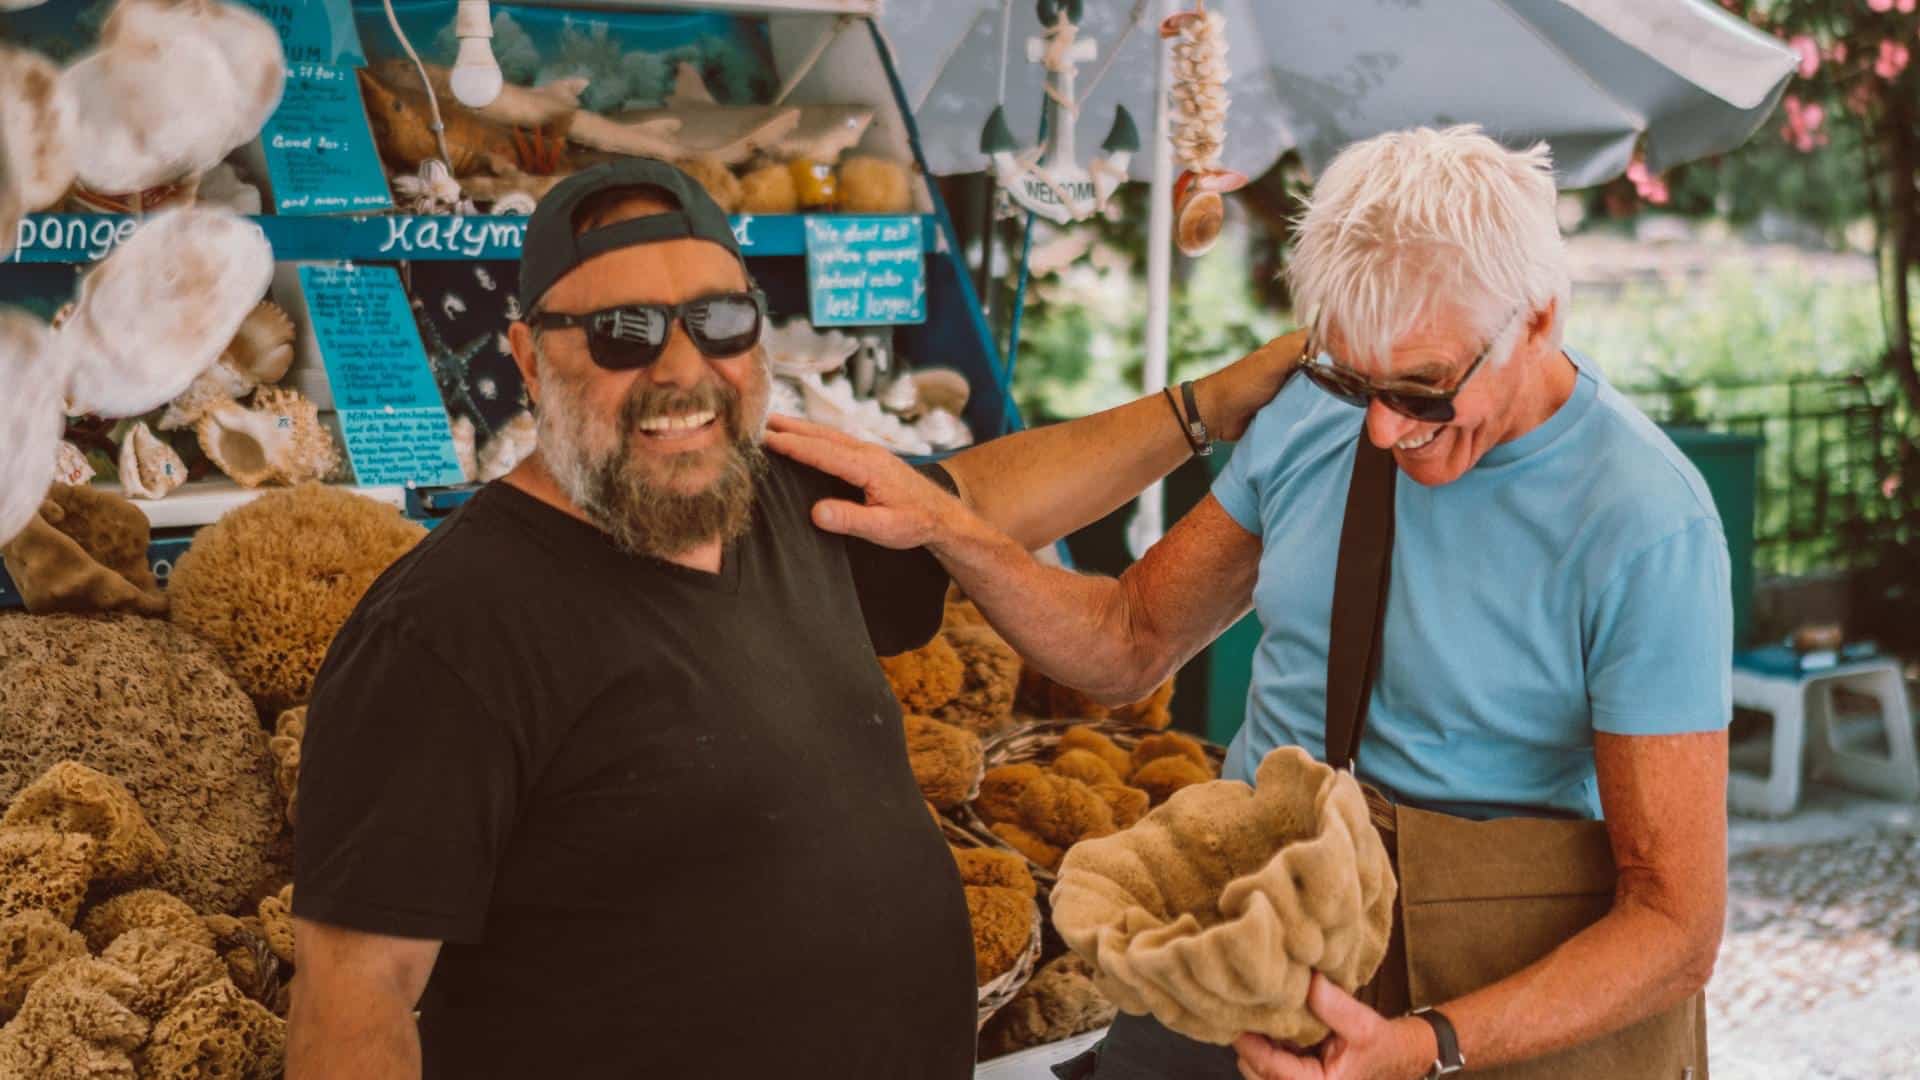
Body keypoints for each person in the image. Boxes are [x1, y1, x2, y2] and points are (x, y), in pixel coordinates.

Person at [284, 157, 1302, 1080]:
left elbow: (979, 500)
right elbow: (352, 1013)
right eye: (624, 331)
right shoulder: (445, 632)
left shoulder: (778, 504)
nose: (682, 371)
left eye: (720, 322)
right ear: (524, 353)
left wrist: (1215, 402)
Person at [771, 125, 1732, 1079]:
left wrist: (1427, 1046)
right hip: (1245, 922)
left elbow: (1675, 923)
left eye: (1426, 388)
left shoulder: (1646, 523)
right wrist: (946, 523)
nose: (1388, 429)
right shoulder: (1319, 411)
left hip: (1481, 986)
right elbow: (1127, 641)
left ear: (1539, 319)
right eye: (1360, 380)